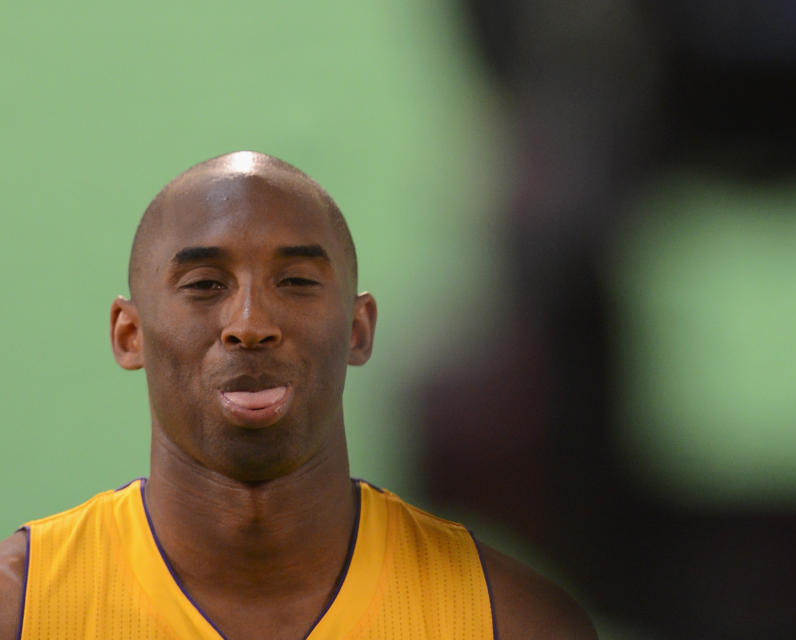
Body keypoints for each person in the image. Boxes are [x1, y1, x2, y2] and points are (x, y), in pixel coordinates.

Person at [0, 151, 596, 640]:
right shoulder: (20, 607)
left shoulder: (511, 619)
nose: (251, 323)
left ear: (358, 330)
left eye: (297, 282)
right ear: (129, 335)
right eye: (205, 284)